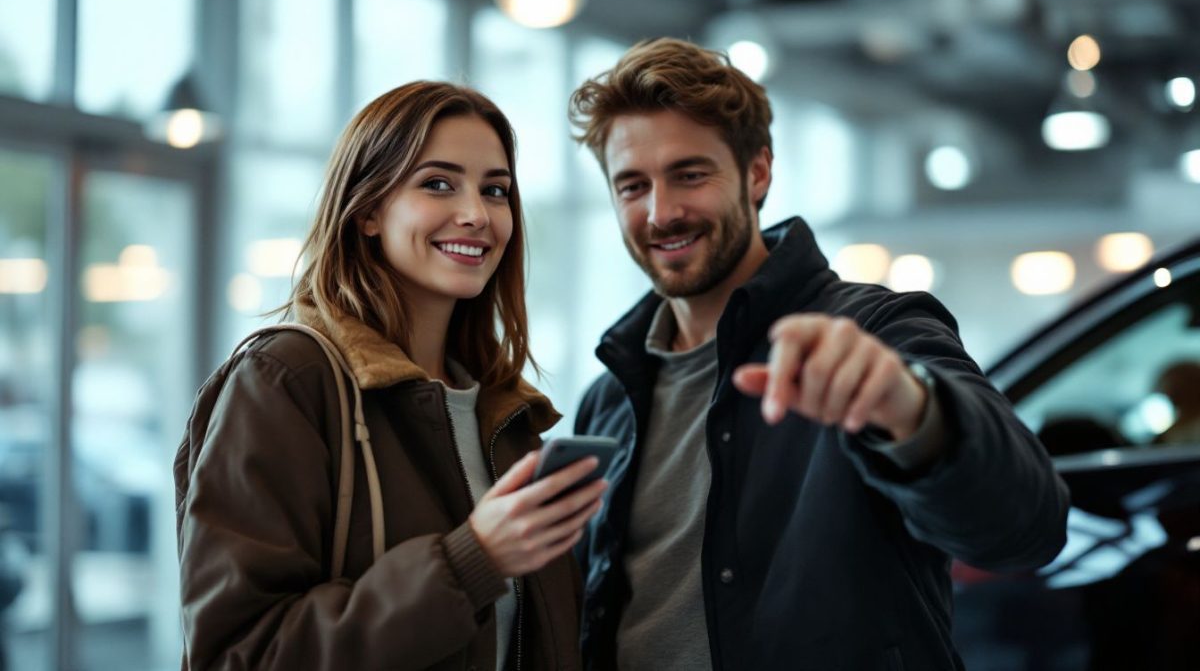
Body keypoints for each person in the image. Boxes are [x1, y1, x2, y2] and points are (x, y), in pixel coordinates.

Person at [567, 38, 1070, 670]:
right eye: (633, 185)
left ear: (757, 172)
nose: (662, 212)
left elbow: (1026, 528)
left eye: (690, 174)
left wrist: (912, 413)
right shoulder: (610, 397)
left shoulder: (874, 332)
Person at [176, 82, 605, 670]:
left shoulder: (505, 413)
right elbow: (239, 653)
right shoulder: (286, 382)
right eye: (437, 184)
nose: (477, 214)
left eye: (496, 190)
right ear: (369, 210)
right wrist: (469, 561)